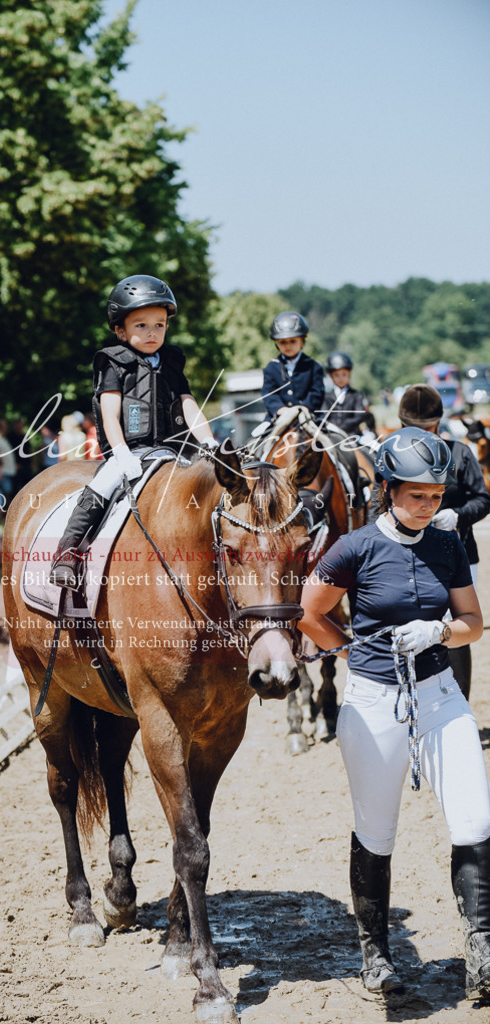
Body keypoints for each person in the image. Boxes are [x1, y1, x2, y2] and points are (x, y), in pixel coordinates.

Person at [299, 427, 490, 1000]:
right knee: (377, 832)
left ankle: (482, 949)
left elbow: (473, 623)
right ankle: (375, 953)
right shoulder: (354, 547)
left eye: (435, 496)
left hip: (439, 696)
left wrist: (438, 629)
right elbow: (309, 614)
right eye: (417, 496)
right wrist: (352, 647)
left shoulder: (447, 542)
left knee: (476, 819)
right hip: (374, 702)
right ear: (386, 490)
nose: (429, 506)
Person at [49, 273, 217, 589]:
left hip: (173, 450)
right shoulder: (112, 362)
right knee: (103, 484)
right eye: (141, 325)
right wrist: (122, 452)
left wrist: (208, 440)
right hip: (131, 452)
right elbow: (110, 414)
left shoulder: (172, 360)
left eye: (160, 324)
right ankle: (67, 554)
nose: (152, 332)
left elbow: (188, 405)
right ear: (120, 330)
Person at [397, 384, 489, 699]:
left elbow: (482, 499)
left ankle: (460, 701)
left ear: (437, 425)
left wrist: (458, 516)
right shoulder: (394, 456)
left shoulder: (460, 453)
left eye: (429, 429)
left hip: (459, 553)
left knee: (456, 628)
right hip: (406, 555)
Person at [261, 311, 325, 420]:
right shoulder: (271, 368)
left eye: (293, 341)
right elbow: (269, 393)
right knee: (256, 435)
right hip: (278, 416)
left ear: (302, 340)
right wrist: (280, 409)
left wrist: (305, 407)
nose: (288, 346)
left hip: (309, 415)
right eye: (283, 342)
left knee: (333, 434)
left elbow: (317, 392)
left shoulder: (313, 366)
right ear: (276, 343)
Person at [323, 352, 377, 440]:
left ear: (349, 374)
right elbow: (324, 416)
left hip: (354, 435)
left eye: (344, 374)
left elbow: (359, 416)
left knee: (374, 446)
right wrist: (334, 428)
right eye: (337, 375)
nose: (341, 379)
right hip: (332, 435)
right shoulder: (326, 397)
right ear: (331, 376)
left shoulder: (356, 395)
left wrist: (342, 426)